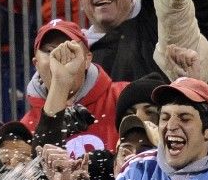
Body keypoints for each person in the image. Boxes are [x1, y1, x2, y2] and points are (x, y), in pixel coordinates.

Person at [20, 18, 128, 155]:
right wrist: (60, 83)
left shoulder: (122, 96)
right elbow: (39, 171)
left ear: (87, 59)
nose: (58, 57)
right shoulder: (26, 126)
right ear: (36, 64)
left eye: (68, 48)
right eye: (49, 51)